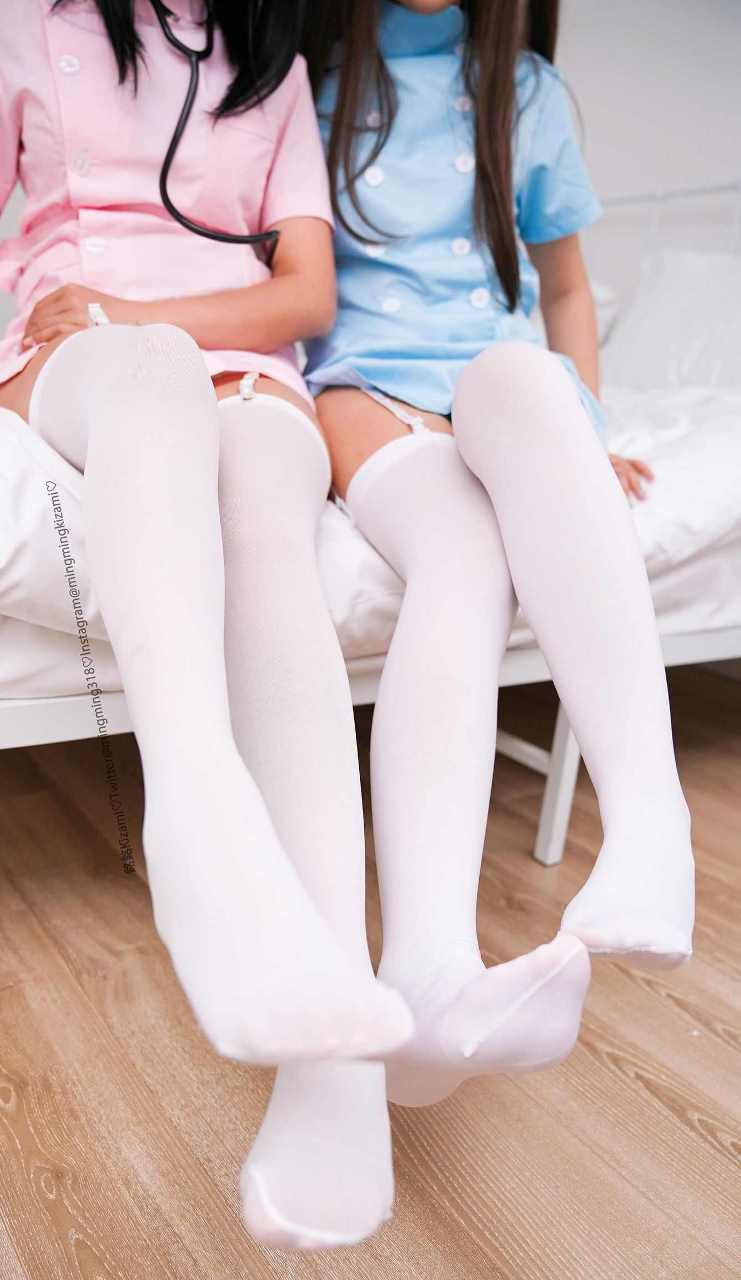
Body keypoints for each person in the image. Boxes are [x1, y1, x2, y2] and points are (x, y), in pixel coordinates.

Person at [0, 0, 417, 1215]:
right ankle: (195, 811)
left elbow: (303, 294)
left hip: (242, 362)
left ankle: (337, 1070)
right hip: (79, 357)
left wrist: (146, 314)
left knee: (271, 532)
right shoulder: (15, 20)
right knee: (149, 371)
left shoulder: (273, 58)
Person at [237, 0, 695, 1249]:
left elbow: (564, 286)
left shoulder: (525, 94)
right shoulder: (305, 89)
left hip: (493, 381)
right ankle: (429, 960)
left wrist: (586, 432)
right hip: (364, 388)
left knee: (526, 379)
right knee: (465, 557)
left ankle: (649, 823)